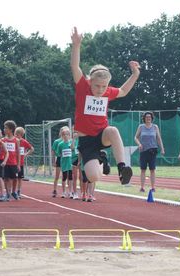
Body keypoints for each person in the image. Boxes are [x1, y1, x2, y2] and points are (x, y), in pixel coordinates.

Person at [70, 27, 140, 185]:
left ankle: (122, 168)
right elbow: (75, 67)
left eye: (104, 86)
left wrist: (135, 74)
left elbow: (123, 91)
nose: (100, 90)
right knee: (94, 177)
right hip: (86, 140)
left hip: (102, 134)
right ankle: (102, 158)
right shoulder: (83, 87)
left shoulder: (107, 92)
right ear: (90, 82)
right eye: (97, 86)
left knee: (113, 130)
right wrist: (76, 45)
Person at [134, 111, 165, 193]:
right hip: (143, 151)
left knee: (152, 169)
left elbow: (158, 138)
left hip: (152, 150)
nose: (148, 118)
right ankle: (142, 187)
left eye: (150, 117)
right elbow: (135, 137)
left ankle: (153, 187)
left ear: (152, 118)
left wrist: (162, 148)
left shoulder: (155, 127)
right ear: (144, 118)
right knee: (143, 169)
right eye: (147, 117)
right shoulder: (141, 127)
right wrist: (139, 144)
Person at [2, 120, 20, 200]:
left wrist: (18, 164)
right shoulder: (3, 140)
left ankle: (13, 191)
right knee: (6, 178)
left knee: (15, 178)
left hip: (13, 163)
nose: (4, 130)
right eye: (4, 128)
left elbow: (18, 153)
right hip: (5, 163)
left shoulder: (16, 140)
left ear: (11, 129)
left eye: (6, 128)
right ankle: (7, 193)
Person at [14, 126, 34, 198]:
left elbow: (32, 149)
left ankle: (18, 191)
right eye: (15, 134)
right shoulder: (13, 141)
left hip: (21, 163)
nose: (16, 135)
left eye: (17, 134)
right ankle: (12, 191)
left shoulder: (24, 142)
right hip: (13, 163)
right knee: (13, 178)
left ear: (21, 135)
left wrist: (26, 154)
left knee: (19, 178)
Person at [56, 127, 74, 198]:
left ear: (69, 135)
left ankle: (70, 192)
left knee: (70, 178)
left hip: (70, 163)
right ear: (62, 136)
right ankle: (63, 192)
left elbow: (72, 148)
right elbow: (59, 153)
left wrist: (73, 139)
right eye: (64, 135)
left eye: (67, 134)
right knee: (64, 177)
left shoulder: (70, 143)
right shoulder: (60, 144)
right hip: (64, 163)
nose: (66, 136)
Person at [51, 127, 66, 197]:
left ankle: (65, 191)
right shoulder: (57, 141)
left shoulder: (69, 141)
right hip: (59, 159)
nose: (64, 134)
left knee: (65, 176)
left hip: (66, 160)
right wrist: (53, 161)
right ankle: (54, 189)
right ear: (60, 133)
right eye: (63, 132)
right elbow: (53, 151)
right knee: (57, 176)